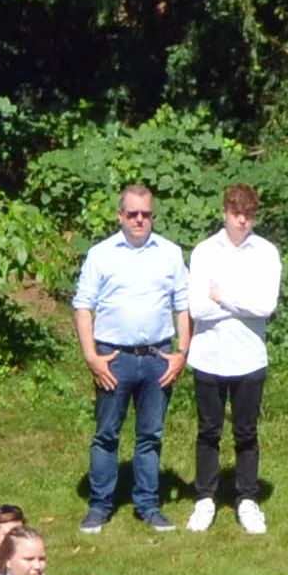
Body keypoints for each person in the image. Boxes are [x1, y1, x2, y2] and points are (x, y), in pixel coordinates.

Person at [67, 182, 190, 534]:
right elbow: (83, 307)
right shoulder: (101, 254)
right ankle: (100, 506)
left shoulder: (169, 253)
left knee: (150, 435)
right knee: (106, 434)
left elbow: (183, 306)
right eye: (132, 213)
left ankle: (148, 506)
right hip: (113, 358)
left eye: (146, 214)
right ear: (120, 215)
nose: (139, 219)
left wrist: (182, 353)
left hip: (157, 358)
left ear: (153, 216)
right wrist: (91, 356)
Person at [172, 181, 283, 534]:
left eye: (249, 215)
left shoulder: (266, 253)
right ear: (224, 213)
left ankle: (247, 499)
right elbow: (198, 308)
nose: (242, 221)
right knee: (209, 431)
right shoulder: (205, 252)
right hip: (209, 356)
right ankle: (205, 497)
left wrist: (224, 297)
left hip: (249, 358)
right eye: (237, 214)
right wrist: (240, 301)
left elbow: (266, 306)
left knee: (246, 432)